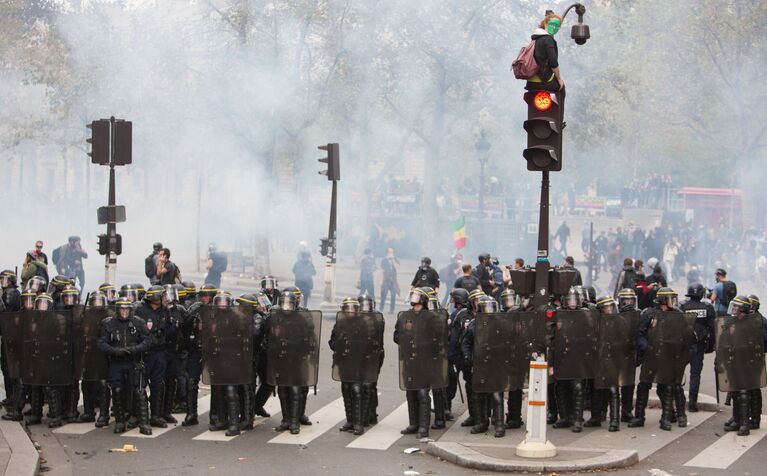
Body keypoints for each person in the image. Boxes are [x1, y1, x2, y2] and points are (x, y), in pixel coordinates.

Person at [98, 298, 153, 434]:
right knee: (117, 391)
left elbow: (148, 340)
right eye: (122, 309)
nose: (124, 312)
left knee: (139, 391)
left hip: (134, 361)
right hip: (117, 361)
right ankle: (120, 421)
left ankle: (143, 423)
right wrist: (115, 351)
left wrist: (136, 349)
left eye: (126, 309)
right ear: (117, 310)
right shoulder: (109, 323)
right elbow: (101, 343)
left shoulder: (138, 322)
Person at [134, 285, 177, 429]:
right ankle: (140, 416)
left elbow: (170, 332)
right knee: (140, 385)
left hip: (159, 352)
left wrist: (173, 319)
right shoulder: (139, 309)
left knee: (158, 384)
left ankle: (156, 416)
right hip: (143, 353)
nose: (165, 298)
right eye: (162, 296)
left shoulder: (165, 310)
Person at [681, 284, 715, 412]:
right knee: (695, 374)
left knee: (678, 374)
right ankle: (692, 404)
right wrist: (711, 346)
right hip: (699, 345)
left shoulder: (682, 307)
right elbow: (713, 329)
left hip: (683, 346)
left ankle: (679, 403)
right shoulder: (707, 308)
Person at [525, 12, 564, 93]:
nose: (554, 27)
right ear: (545, 23)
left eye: (557, 26)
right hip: (545, 81)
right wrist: (559, 79)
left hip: (530, 83)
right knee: (561, 89)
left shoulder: (535, 39)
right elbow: (553, 62)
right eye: (552, 24)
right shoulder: (548, 40)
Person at [379, 248, 400, 313]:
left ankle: (391, 310)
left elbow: (398, 267)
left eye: (392, 252)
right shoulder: (384, 260)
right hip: (386, 280)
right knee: (384, 294)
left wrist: (393, 260)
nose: (391, 253)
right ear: (387, 253)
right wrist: (381, 280)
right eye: (390, 252)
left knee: (393, 295)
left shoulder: (395, 259)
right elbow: (382, 270)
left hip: (393, 280)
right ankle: (381, 308)